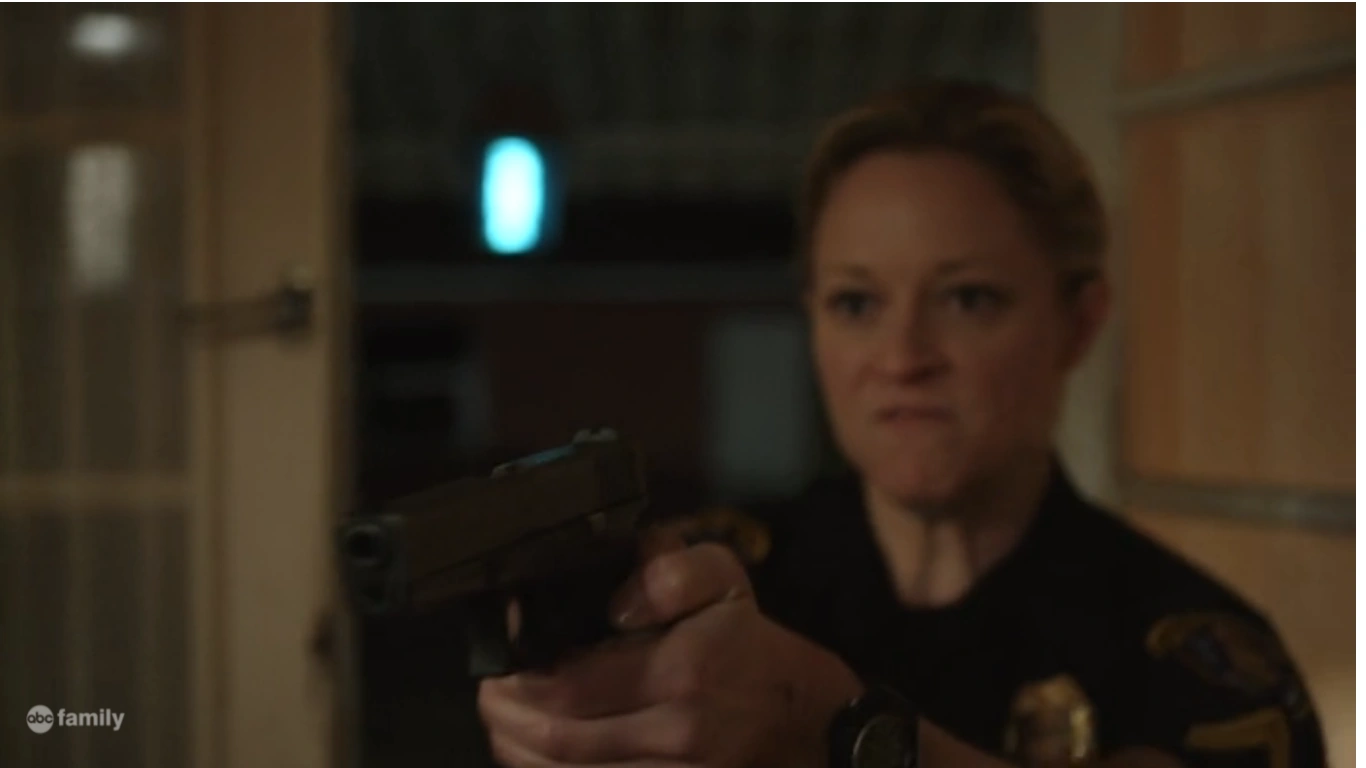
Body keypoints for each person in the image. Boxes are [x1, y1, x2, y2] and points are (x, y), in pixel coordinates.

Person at [475, 81, 1328, 768]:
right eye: (856, 303)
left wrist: (827, 728)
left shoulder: (1193, 656)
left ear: (1079, 323)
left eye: (968, 299)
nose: (902, 356)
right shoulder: (710, 582)